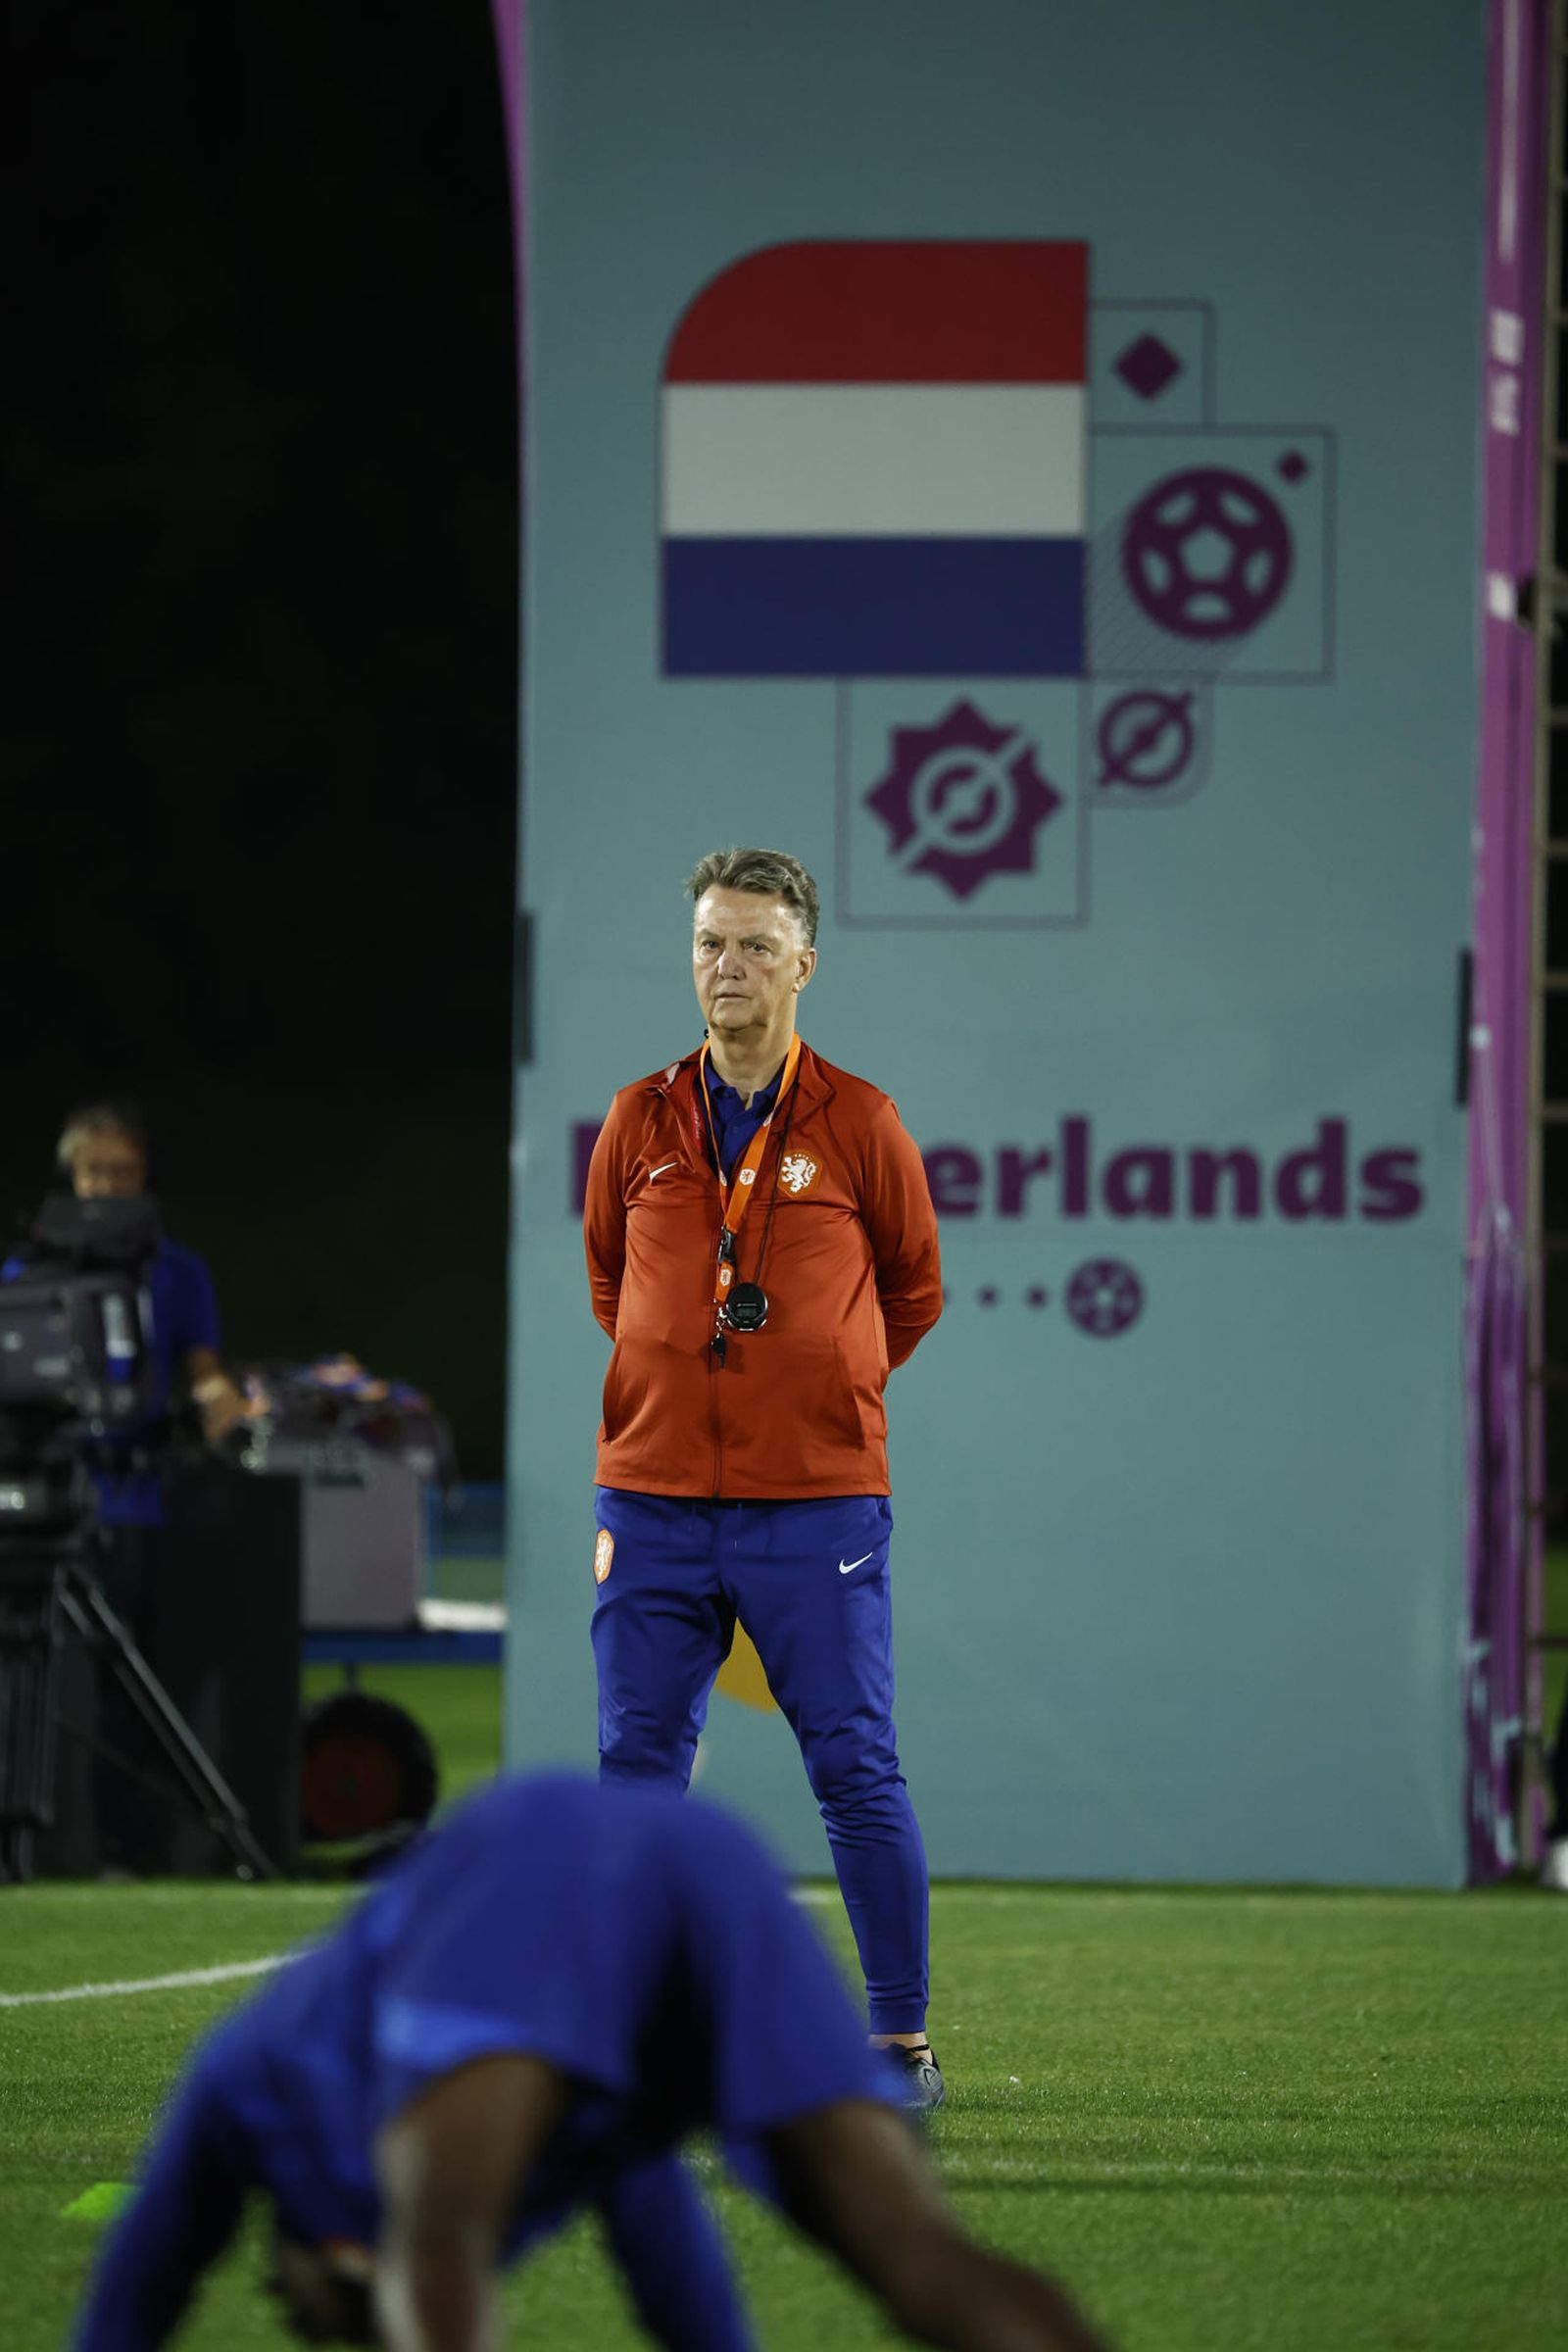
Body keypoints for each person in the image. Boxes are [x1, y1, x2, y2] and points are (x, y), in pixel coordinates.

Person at [72, 1774, 1110, 2352]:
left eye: (289, 2309)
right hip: (710, 1859)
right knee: (916, 2256)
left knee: (441, 2248)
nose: (300, 2322)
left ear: (316, 2250)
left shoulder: (245, 2077)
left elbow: (127, 2312)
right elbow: (687, 2304)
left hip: (532, 1862)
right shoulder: (597, 2142)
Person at [583, 848, 946, 2106]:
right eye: (706, 945)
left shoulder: (859, 1120)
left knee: (853, 1765)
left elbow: (913, 1292)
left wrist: (816, 1393)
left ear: (803, 963)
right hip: (654, 1497)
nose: (723, 968)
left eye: (749, 946)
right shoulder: (639, 1118)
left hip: (816, 1505)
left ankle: (895, 2042)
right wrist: (679, 1394)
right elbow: (608, 1287)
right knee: (634, 1776)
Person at [3, 1102, 245, 1872]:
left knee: (140, 1694)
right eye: (92, 1171)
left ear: (144, 1179)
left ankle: (141, 1847)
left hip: (143, 1505)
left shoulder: (178, 1272)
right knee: (51, 1684)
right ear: (69, 1178)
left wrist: (222, 1404)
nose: (105, 1187)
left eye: (121, 1171)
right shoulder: (23, 1274)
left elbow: (205, 1371)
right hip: (45, 1506)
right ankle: (52, 1847)